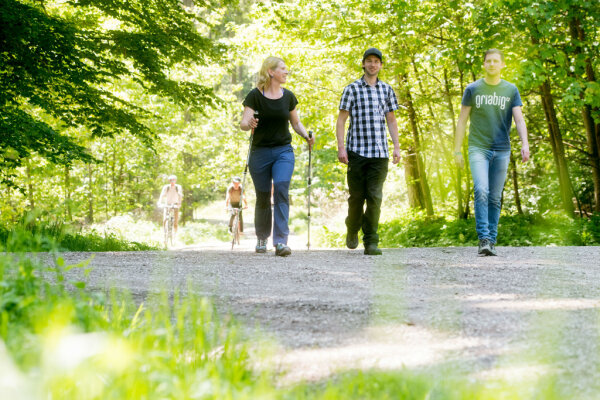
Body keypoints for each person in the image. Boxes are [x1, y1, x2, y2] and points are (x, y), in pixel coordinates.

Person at [454, 49, 530, 256]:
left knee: (495, 197)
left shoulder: (511, 90)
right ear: (484, 64)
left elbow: (519, 119)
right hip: (478, 147)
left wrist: (525, 143)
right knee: (481, 190)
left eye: (496, 61)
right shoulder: (473, 89)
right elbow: (462, 121)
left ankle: (492, 241)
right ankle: (484, 239)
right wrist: (457, 150)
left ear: (502, 65)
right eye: (489, 61)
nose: (492, 64)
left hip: (502, 149)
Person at [240, 56, 315, 256]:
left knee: (281, 188)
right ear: (271, 72)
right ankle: (262, 238)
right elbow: (243, 123)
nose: (286, 72)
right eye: (282, 69)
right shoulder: (254, 96)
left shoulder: (288, 96)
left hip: (283, 151)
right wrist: (250, 124)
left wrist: (306, 135)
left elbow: (296, 123)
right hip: (260, 153)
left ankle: (281, 241)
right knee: (263, 195)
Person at [336, 47, 401, 256]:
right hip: (356, 151)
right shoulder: (352, 89)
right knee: (357, 196)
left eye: (376, 61)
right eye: (369, 61)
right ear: (363, 64)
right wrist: (341, 148)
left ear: (380, 65)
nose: (373, 64)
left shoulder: (387, 90)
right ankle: (352, 226)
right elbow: (341, 120)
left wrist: (396, 147)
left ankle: (371, 241)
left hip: (379, 153)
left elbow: (391, 120)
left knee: (374, 197)